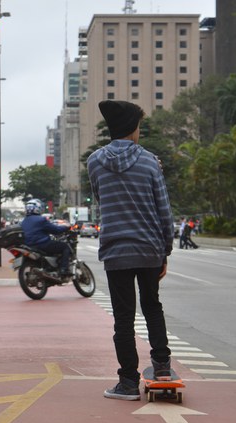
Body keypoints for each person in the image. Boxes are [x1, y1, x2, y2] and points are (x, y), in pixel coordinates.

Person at [87, 100, 174, 401]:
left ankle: (127, 382)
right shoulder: (150, 161)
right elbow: (164, 210)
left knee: (123, 318)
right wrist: (166, 250)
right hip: (149, 248)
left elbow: (100, 199)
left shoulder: (95, 162)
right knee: (152, 306)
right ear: (132, 129)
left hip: (116, 251)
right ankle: (162, 367)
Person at [20, 199, 73, 276]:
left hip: (29, 246)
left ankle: (49, 267)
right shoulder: (41, 219)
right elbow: (56, 230)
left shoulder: (23, 221)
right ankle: (63, 269)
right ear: (37, 208)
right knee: (65, 247)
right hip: (42, 244)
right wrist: (66, 227)